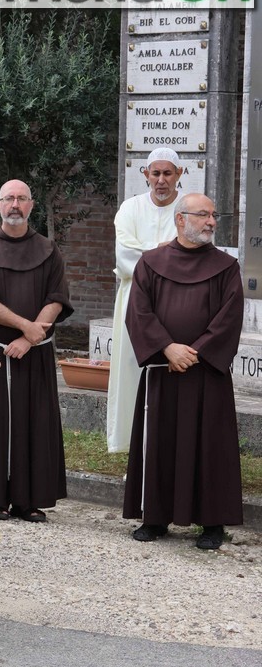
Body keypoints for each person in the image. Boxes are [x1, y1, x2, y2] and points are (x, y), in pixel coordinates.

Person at [123, 193, 244, 550]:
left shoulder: (226, 266)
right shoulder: (151, 262)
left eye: (213, 215)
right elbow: (139, 312)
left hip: (206, 374)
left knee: (210, 447)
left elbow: (230, 315)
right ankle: (156, 517)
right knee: (161, 441)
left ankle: (211, 523)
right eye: (203, 215)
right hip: (164, 370)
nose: (211, 221)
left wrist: (197, 352)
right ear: (181, 220)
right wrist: (166, 347)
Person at [0, 179, 73, 523]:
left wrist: (30, 336)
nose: (14, 204)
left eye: (21, 198)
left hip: (34, 352)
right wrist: (24, 327)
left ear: (31, 205)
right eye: (8, 198)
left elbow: (57, 298)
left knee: (36, 422)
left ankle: (31, 500)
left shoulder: (48, 249)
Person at [107, 149, 184, 453]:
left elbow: (192, 256)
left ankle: (170, 443)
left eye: (168, 173)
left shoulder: (189, 207)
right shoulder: (130, 208)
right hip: (135, 302)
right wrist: (167, 249)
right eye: (156, 173)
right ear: (146, 175)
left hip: (178, 303)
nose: (161, 180)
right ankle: (131, 443)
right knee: (132, 371)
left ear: (179, 174)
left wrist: (151, 251)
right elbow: (126, 259)